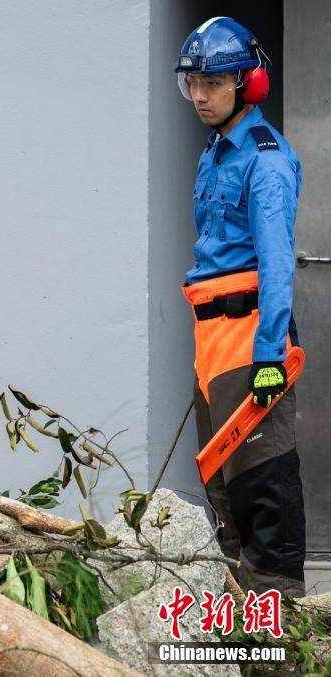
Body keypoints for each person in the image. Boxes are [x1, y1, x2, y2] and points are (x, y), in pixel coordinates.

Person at [175, 17, 305, 596]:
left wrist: (270, 355)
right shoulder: (214, 153)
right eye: (192, 84)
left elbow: (277, 265)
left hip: (252, 333)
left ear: (247, 83)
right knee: (222, 485)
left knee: (263, 481)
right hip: (211, 338)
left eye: (214, 83)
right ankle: (242, 619)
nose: (200, 96)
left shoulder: (265, 160)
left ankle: (283, 623)